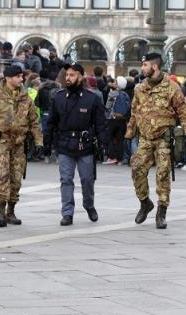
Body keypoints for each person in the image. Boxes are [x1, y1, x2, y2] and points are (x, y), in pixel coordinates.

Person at [126, 52, 186, 229]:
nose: (143, 68)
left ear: (154, 66)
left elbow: (184, 112)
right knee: (137, 170)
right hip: (145, 139)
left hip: (164, 139)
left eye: (145, 65)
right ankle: (145, 202)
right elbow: (134, 113)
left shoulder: (172, 87)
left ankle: (161, 211)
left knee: (162, 175)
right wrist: (129, 134)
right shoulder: (140, 89)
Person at [0, 65, 43, 227]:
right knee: (2, 175)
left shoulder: (25, 97)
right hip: (1, 142)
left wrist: (38, 141)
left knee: (16, 177)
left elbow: (34, 121)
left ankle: (11, 211)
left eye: (21, 77)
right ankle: (0, 212)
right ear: (8, 78)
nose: (21, 79)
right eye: (18, 76)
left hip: (19, 143)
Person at [45, 63, 107, 226]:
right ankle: (67, 213)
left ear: (80, 76)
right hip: (64, 144)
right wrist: (47, 144)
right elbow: (51, 122)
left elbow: (100, 124)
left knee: (87, 179)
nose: (68, 78)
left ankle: (89, 204)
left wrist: (103, 144)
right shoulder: (58, 97)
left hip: (84, 145)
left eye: (72, 75)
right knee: (66, 179)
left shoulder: (92, 98)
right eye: (67, 75)